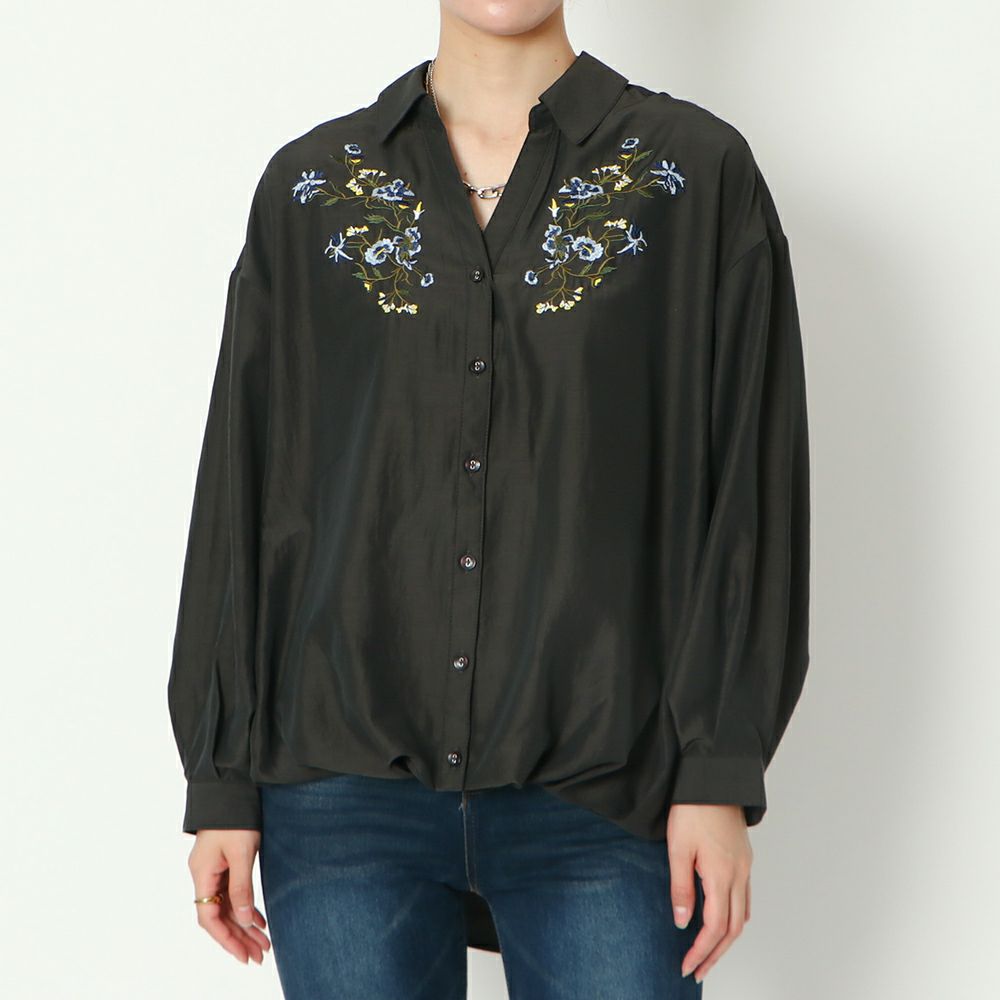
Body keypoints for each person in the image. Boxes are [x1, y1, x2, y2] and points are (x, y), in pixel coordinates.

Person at [167, 2, 810, 997]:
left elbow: (751, 486)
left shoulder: (690, 175)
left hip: (606, 782)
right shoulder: (315, 187)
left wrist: (717, 772)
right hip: (341, 785)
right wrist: (221, 776)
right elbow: (249, 479)